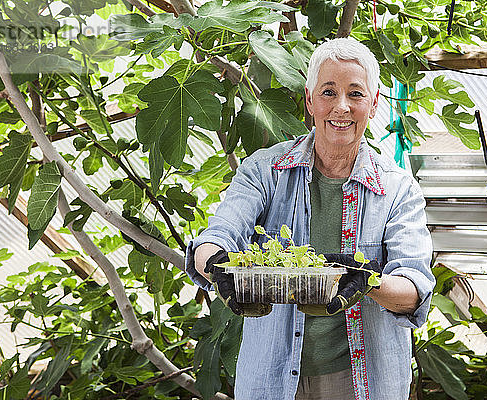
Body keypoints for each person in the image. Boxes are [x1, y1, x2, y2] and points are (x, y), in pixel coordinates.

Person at [185, 37, 434, 400]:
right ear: (310, 99)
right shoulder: (264, 170)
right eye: (329, 92)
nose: (342, 107)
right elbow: (218, 235)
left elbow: (414, 288)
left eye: (356, 94)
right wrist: (218, 266)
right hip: (271, 375)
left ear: (375, 102)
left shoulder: (396, 188)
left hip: (360, 380)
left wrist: (365, 282)